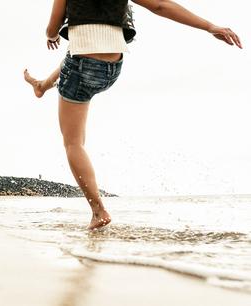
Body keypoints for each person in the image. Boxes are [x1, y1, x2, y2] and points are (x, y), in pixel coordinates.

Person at [24, 0, 241, 230]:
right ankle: (42, 85)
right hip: (111, 69)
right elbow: (160, 6)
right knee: (74, 57)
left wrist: (51, 36)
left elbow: (52, 28)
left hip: (81, 68)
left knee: (73, 143)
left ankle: (98, 211)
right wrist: (210, 27)